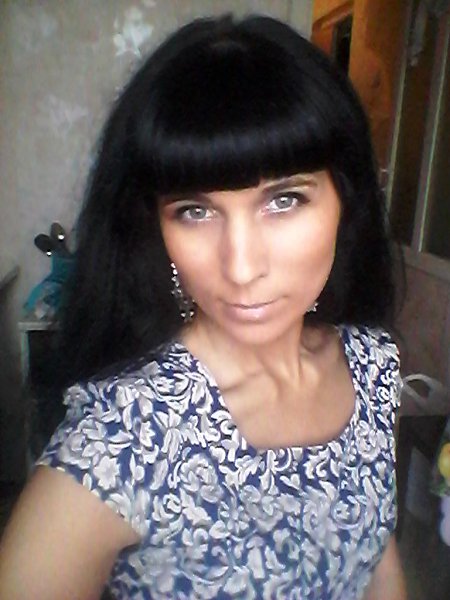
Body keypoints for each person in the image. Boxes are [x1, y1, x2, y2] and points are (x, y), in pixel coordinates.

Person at [0, 14, 406, 600]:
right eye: (195, 211)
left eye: (284, 200)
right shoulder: (129, 437)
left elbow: (375, 554)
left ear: (346, 200)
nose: (240, 267)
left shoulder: (373, 365)